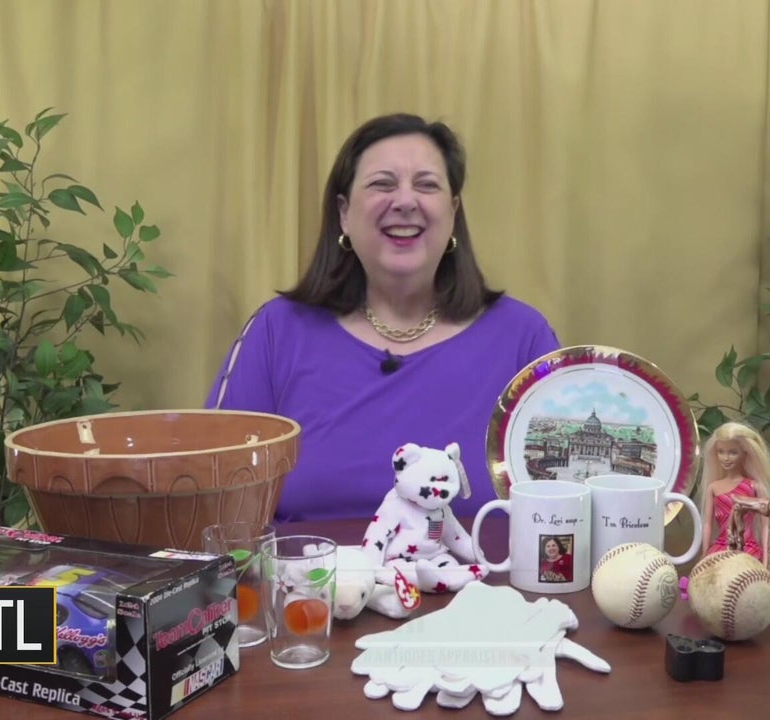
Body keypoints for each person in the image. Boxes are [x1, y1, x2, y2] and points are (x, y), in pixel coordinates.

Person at [205, 113, 561, 522]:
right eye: (382, 184)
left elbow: (563, 507)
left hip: (478, 567)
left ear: (453, 211)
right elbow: (215, 500)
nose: (405, 201)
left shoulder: (522, 339)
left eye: (426, 185)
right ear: (343, 213)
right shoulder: (277, 331)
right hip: (307, 566)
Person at [699, 421, 770, 562]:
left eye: (733, 452)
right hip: (721, 547)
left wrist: (766, 560)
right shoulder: (713, 488)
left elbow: (766, 526)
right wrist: (704, 553)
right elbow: (707, 523)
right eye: (721, 452)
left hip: (747, 548)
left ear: (745, 453)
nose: (726, 458)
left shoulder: (755, 487)